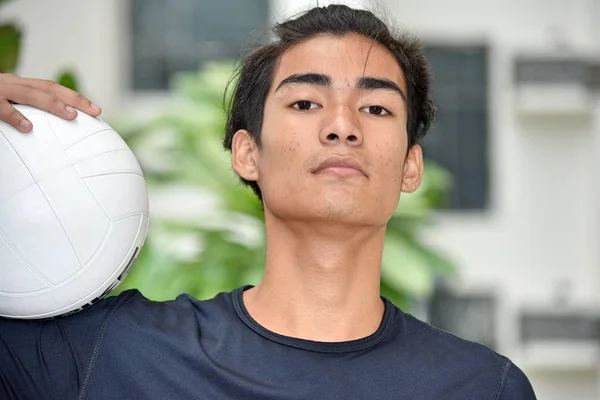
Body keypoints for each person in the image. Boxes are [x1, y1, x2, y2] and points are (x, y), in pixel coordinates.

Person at [0, 4, 537, 399]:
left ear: (410, 166)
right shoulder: (106, 352)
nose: (343, 126)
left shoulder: (484, 388)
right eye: (306, 101)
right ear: (246, 154)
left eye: (376, 109)